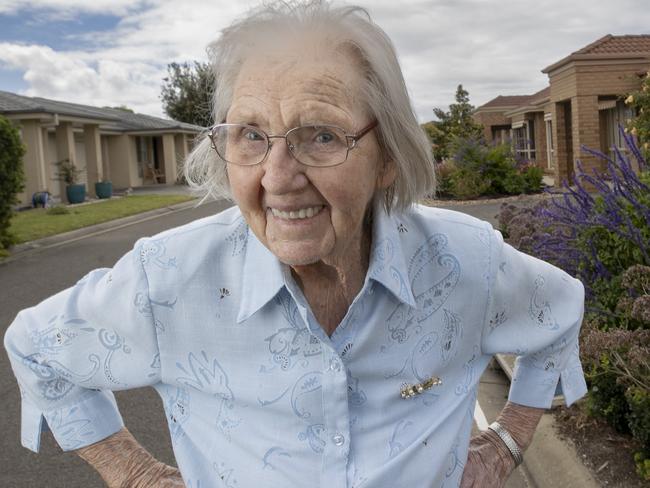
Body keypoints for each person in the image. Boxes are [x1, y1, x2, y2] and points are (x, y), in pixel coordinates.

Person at [4, 2, 587, 487]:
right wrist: (135, 474)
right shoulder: (169, 280)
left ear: (386, 155)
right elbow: (35, 346)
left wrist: (506, 440)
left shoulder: (465, 263)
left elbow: (557, 308)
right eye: (251, 135)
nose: (277, 177)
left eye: (322, 136)